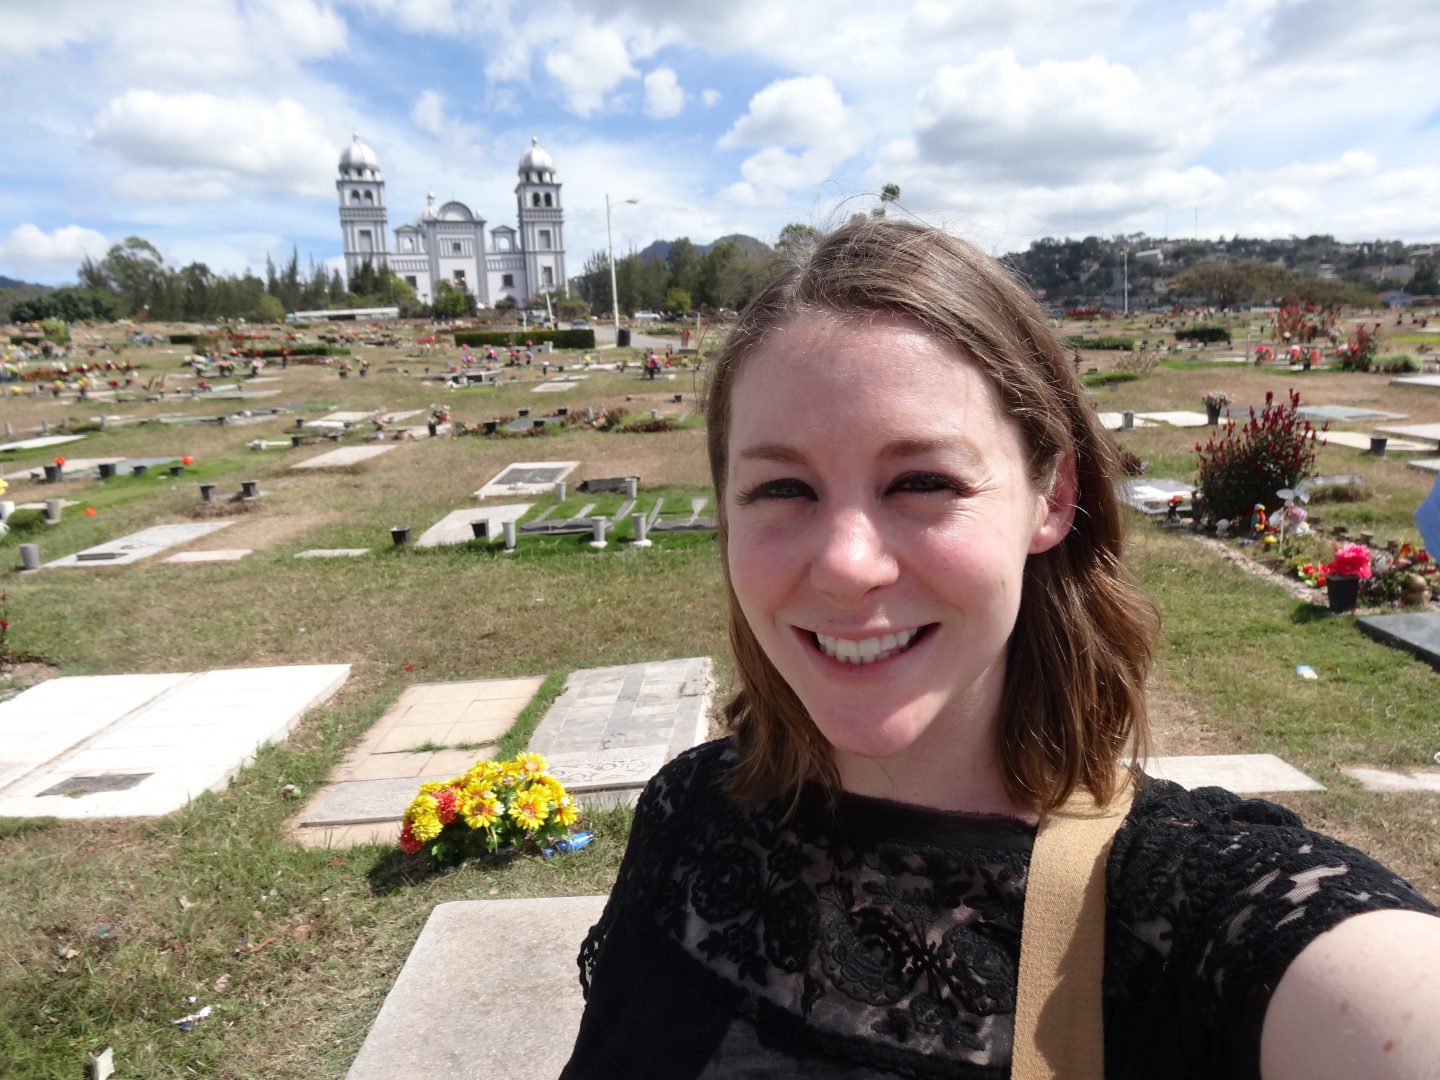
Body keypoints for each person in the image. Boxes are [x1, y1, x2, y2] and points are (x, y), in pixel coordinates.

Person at [561, 220, 1440, 1078]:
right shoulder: (686, 811)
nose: (846, 566)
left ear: (1050, 498)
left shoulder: (1197, 916)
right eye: (782, 488)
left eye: (923, 481)